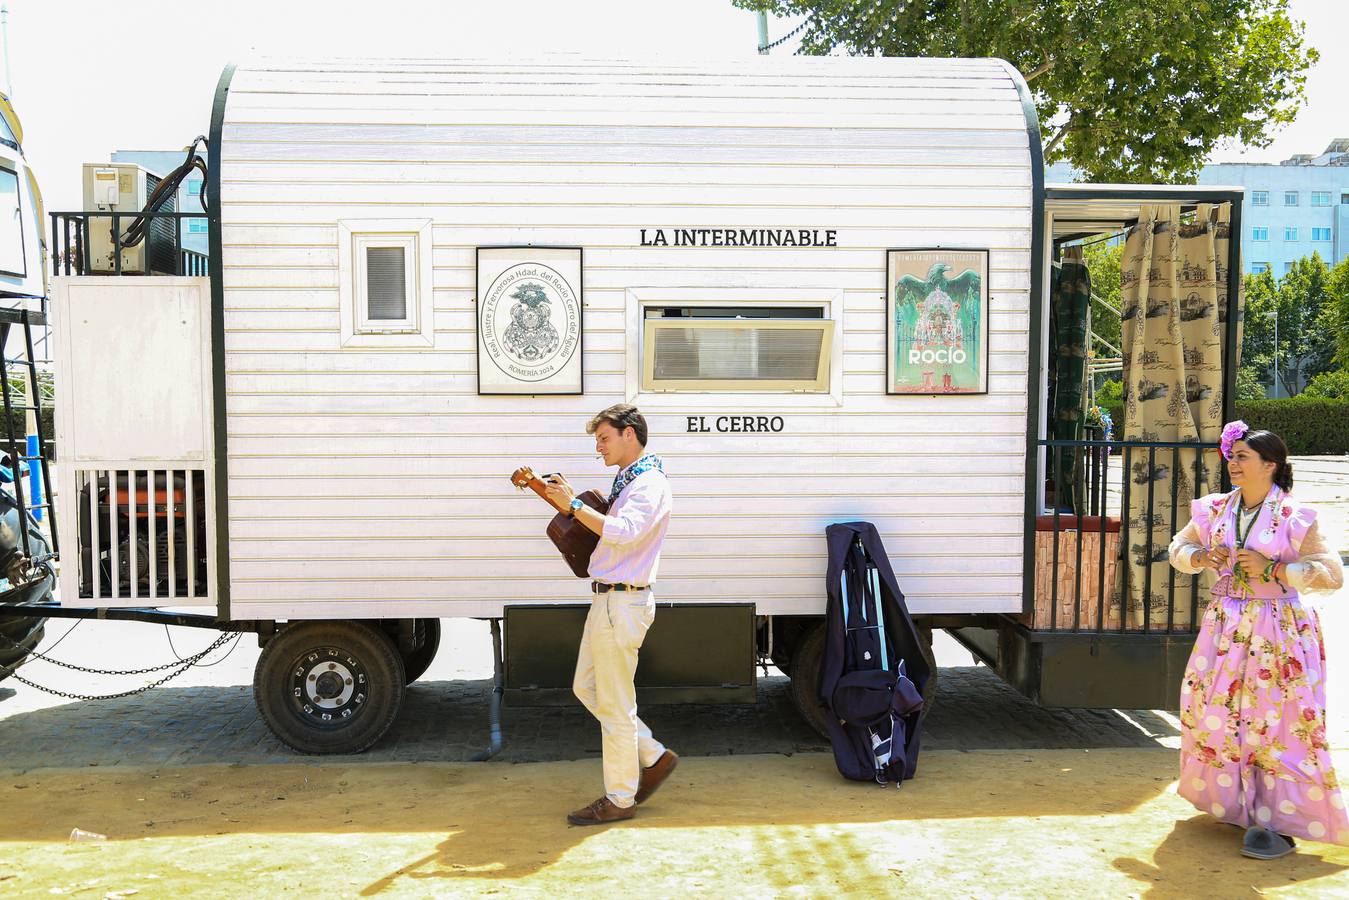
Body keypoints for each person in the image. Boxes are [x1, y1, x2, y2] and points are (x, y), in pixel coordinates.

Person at [1168, 421, 1345, 859]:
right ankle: (1235, 804)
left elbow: (1332, 574)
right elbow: (1177, 548)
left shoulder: (1296, 516)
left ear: (1271, 465)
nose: (1233, 463)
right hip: (1223, 628)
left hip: (1276, 629)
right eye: (1232, 456)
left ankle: (1279, 821)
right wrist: (1201, 556)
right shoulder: (1211, 510)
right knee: (1216, 711)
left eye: (1243, 457)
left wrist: (1276, 569)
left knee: (1277, 719)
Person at [542, 403, 678, 826]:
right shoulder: (631, 481)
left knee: (615, 703)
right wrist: (570, 505)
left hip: (622, 602)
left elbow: (624, 532)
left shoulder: (649, 484)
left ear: (629, 435)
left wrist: (576, 508)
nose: (598, 447)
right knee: (588, 687)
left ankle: (620, 798)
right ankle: (652, 755)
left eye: (603, 438)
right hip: (611, 601)